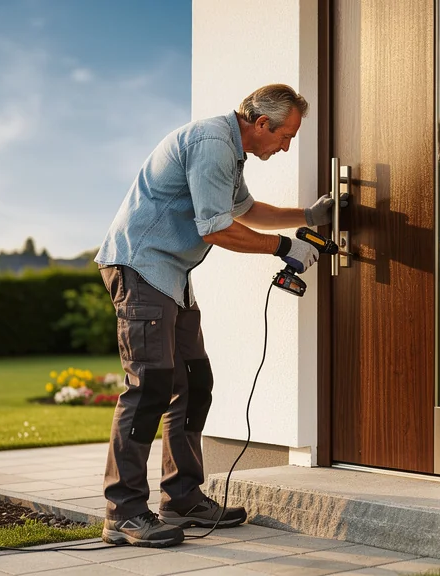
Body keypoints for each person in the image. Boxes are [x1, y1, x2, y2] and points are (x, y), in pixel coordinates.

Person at [93, 84, 333, 547]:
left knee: (194, 382)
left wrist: (306, 216)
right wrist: (286, 247)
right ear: (261, 124)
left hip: (171, 276)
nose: (286, 147)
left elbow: (246, 210)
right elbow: (216, 227)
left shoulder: (232, 151)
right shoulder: (211, 144)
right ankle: (122, 511)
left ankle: (181, 496)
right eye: (285, 136)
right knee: (149, 388)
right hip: (141, 268)